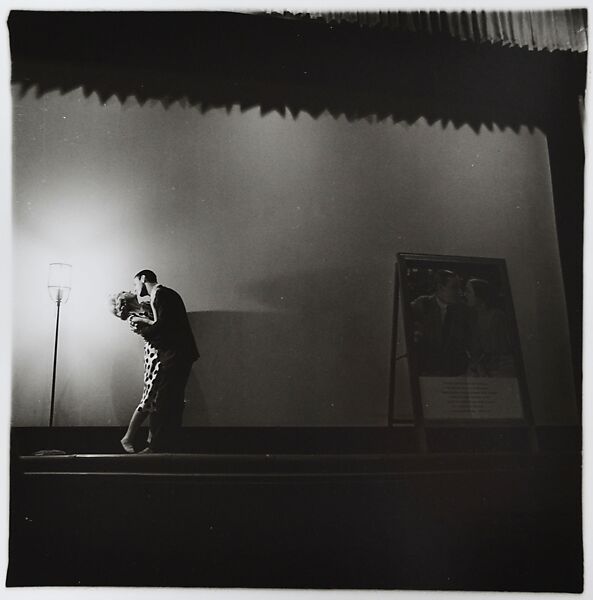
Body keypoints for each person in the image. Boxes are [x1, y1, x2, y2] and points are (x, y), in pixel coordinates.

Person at [129, 269, 199, 453]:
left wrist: (143, 332)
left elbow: (163, 325)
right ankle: (168, 446)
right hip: (178, 354)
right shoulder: (163, 295)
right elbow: (165, 324)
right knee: (171, 401)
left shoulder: (161, 294)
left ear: (143, 279)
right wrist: (145, 320)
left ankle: (157, 448)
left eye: (135, 283)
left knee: (165, 401)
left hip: (175, 355)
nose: (134, 288)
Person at [108, 291, 160, 453]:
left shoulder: (145, 305)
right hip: (154, 354)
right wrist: (147, 320)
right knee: (149, 397)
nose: (129, 290)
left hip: (161, 352)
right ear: (124, 301)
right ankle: (128, 437)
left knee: (156, 401)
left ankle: (151, 442)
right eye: (124, 292)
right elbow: (156, 325)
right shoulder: (133, 318)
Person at [410, 269, 470, 376]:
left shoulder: (462, 310)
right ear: (440, 288)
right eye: (454, 288)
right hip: (426, 370)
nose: (460, 293)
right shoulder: (422, 304)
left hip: (452, 372)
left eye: (460, 288)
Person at [464, 278, 515, 377]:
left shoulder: (497, 317)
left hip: (498, 370)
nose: (464, 294)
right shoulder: (474, 316)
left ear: (480, 296)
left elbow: (501, 352)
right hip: (481, 368)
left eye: (468, 291)